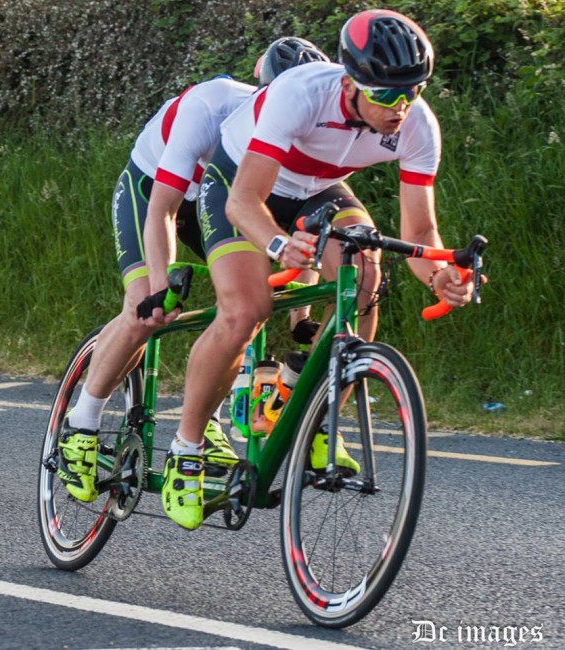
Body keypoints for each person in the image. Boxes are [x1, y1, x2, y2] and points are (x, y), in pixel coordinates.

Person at [160, 9, 480, 530]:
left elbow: (421, 235)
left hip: (316, 192)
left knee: (367, 273)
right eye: (385, 95)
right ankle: (187, 447)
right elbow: (245, 202)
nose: (399, 108)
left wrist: (440, 274)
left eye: (412, 92)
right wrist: (280, 244)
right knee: (246, 310)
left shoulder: (417, 125)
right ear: (350, 83)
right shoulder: (301, 94)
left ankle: (319, 417)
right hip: (240, 183)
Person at [56, 38, 330, 503]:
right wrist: (160, 289)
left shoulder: (299, 133)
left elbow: (293, 223)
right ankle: (80, 425)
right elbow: (161, 208)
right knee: (146, 310)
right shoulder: (211, 104)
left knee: (244, 308)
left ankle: (213, 420)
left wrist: (299, 321)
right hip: (154, 193)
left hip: (215, 201)